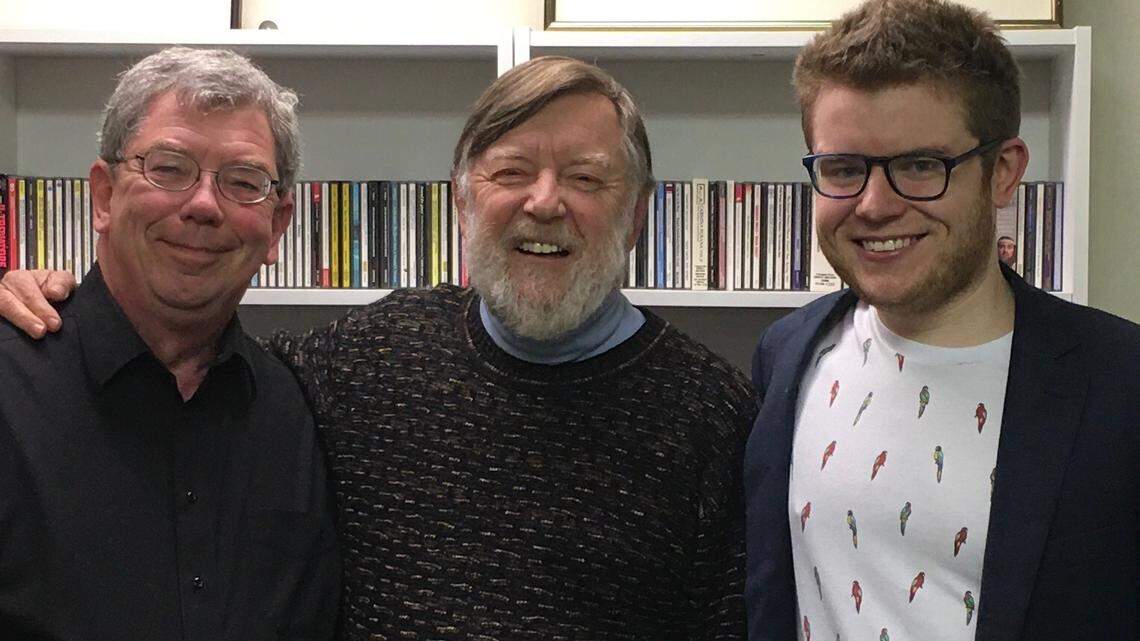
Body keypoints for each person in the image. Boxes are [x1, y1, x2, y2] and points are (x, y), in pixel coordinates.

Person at [1, 56, 754, 639]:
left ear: (636, 217)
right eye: (511, 171)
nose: (544, 201)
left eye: (586, 178)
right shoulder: (365, 361)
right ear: (463, 199)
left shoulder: (714, 414)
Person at [744, 1, 1138, 641]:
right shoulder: (786, 354)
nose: (874, 206)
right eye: (843, 169)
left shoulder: (1119, 384)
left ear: (1003, 172)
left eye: (921, 165)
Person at [0, 48, 339, 640]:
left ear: (278, 226)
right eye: (169, 168)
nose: (204, 206)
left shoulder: (301, 406)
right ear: (104, 197)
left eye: (243, 182)